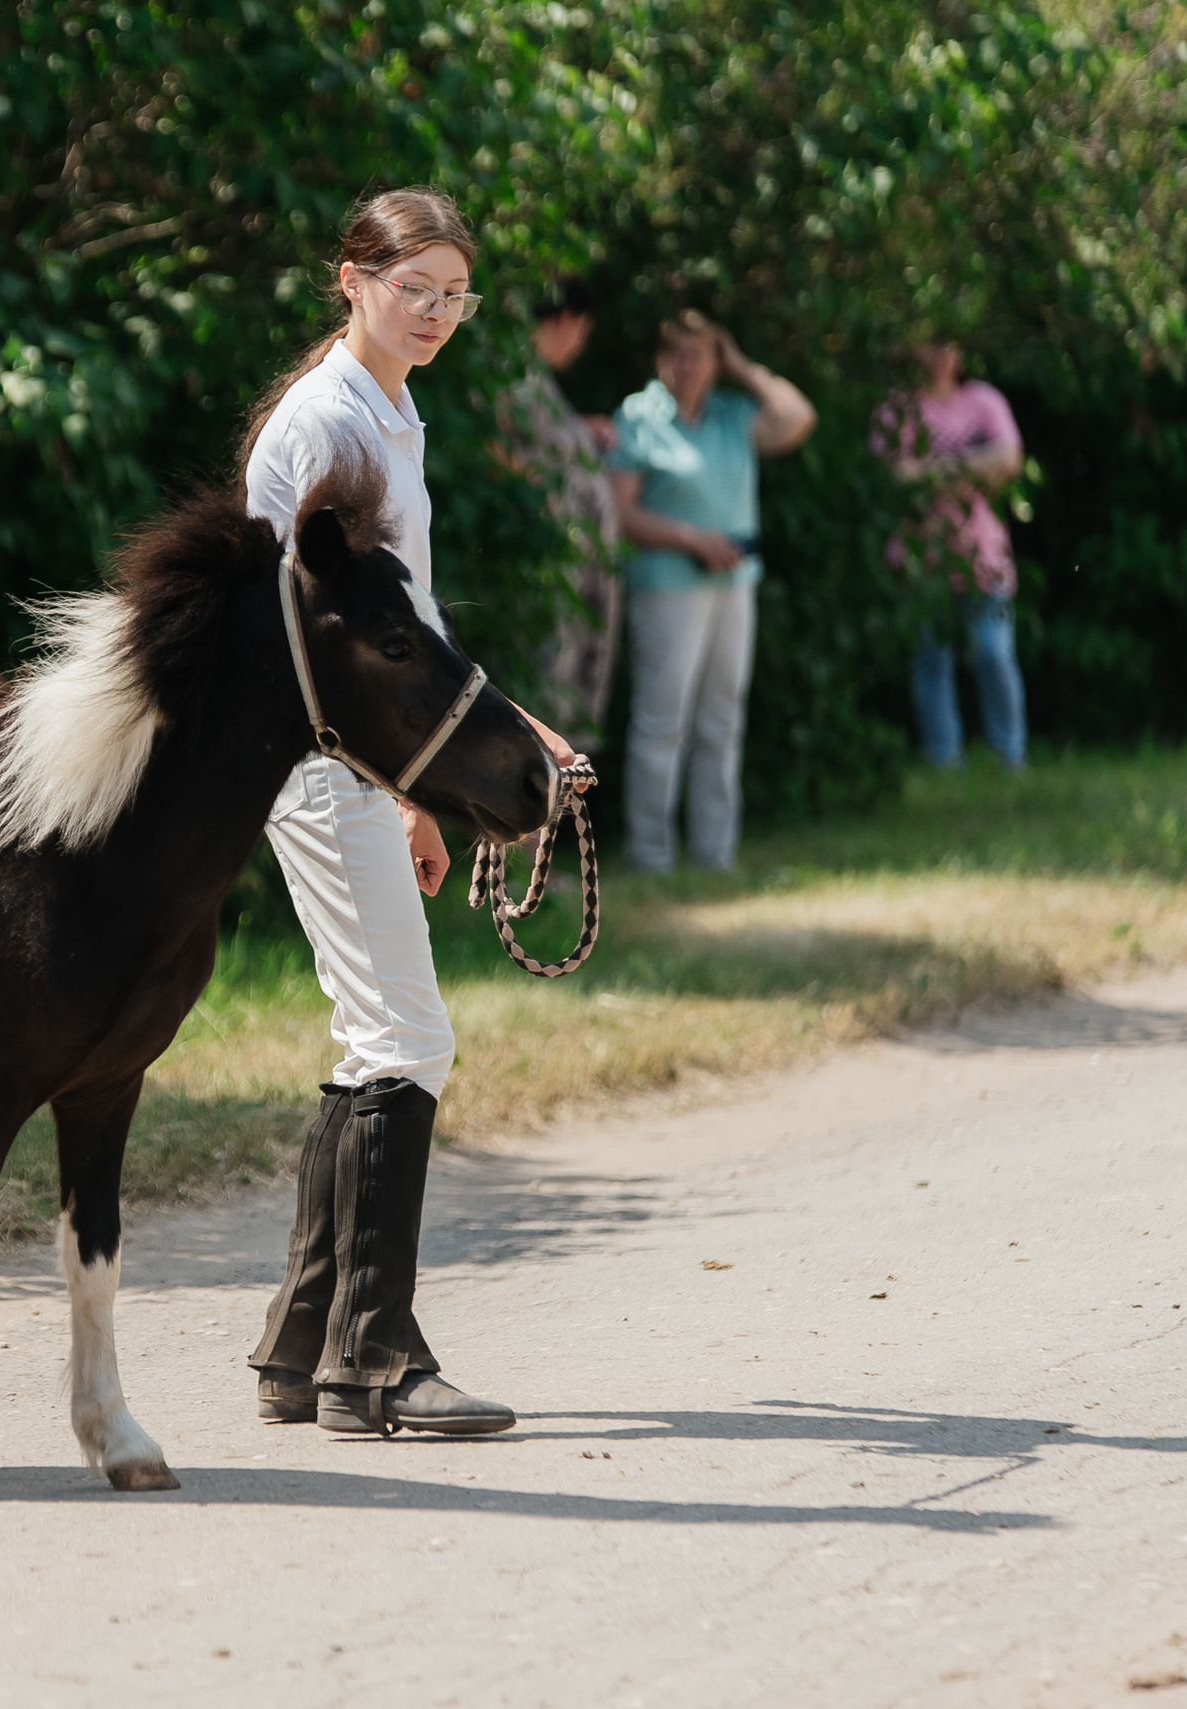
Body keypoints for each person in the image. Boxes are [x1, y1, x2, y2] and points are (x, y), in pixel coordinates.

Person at [240, 188, 576, 1438]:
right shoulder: (331, 422)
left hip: (368, 760)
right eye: (414, 288)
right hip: (326, 761)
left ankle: (296, 1348)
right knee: (407, 1039)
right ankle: (373, 1363)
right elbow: (343, 639)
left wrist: (435, 785)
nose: (436, 313)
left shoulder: (386, 406)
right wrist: (453, 757)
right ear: (351, 278)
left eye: (455, 295)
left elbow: (409, 623)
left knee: (367, 1033)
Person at [605, 312, 816, 873]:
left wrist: (744, 365)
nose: (689, 365)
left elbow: (798, 417)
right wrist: (691, 539)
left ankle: (715, 853)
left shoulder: (733, 414)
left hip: (734, 587)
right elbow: (620, 514)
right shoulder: (637, 416)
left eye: (701, 354)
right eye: (678, 353)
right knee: (662, 722)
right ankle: (652, 856)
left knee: (722, 720)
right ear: (660, 359)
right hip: (667, 587)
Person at [878, 340, 1028, 768]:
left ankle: (1010, 754)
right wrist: (974, 464)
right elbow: (895, 477)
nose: (939, 355)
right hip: (919, 556)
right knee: (930, 660)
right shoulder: (896, 409)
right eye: (928, 345)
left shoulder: (984, 399)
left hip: (985, 555)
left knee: (993, 653)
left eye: (948, 345)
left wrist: (931, 469)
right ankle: (943, 757)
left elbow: (1010, 458)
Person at [501, 279, 625, 742]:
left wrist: (578, 428)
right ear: (569, 320)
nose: (580, 345)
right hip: (545, 574)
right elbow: (496, 448)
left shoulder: (535, 380)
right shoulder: (513, 373)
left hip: (568, 575)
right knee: (540, 693)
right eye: (583, 332)